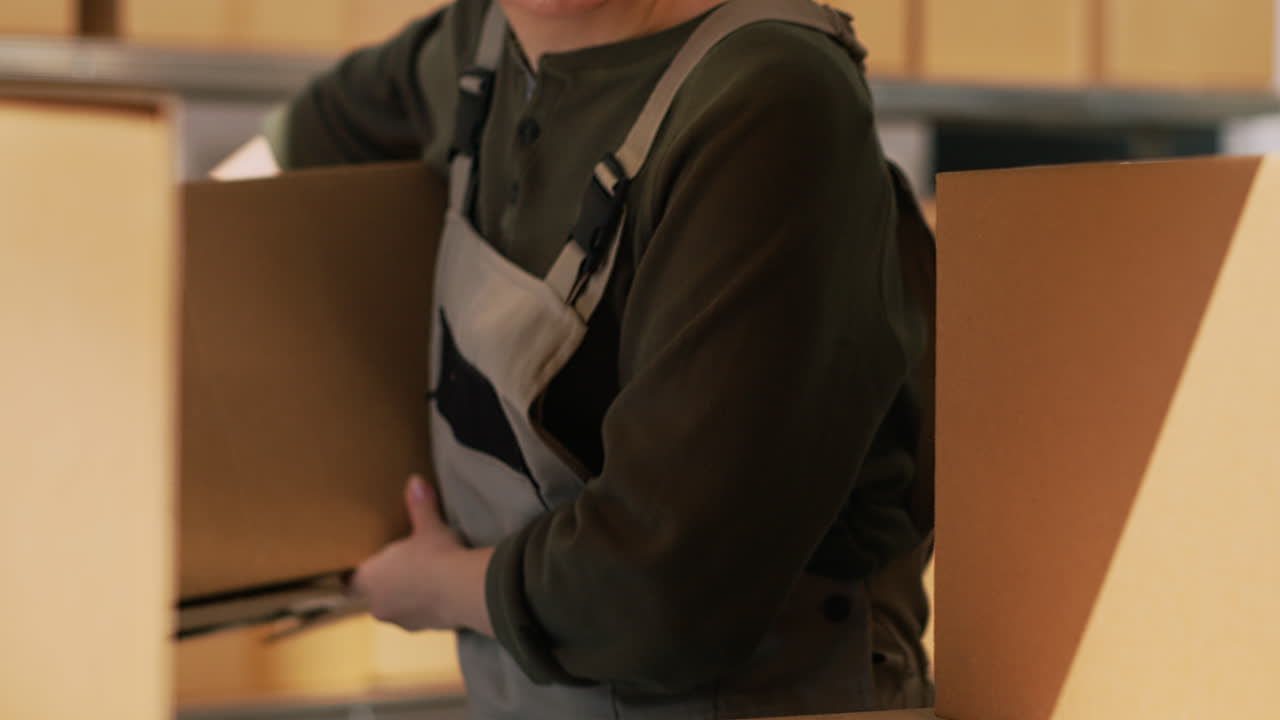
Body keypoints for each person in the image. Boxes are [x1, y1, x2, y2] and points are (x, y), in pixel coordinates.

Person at [220, 0, 937, 716]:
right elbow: (304, 141)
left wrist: (439, 587)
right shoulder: (489, 37)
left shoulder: (769, 102)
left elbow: (666, 591)